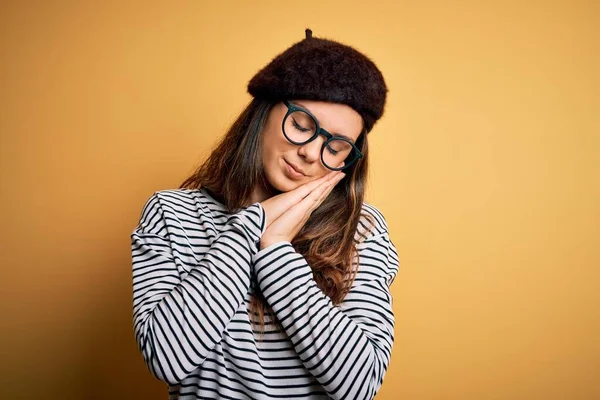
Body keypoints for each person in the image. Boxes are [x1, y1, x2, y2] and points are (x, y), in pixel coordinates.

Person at [131, 28, 400, 400]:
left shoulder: (362, 228)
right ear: (264, 113)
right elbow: (166, 357)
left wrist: (275, 249)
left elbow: (359, 386)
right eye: (302, 125)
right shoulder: (173, 213)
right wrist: (248, 230)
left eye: (335, 146)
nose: (310, 152)